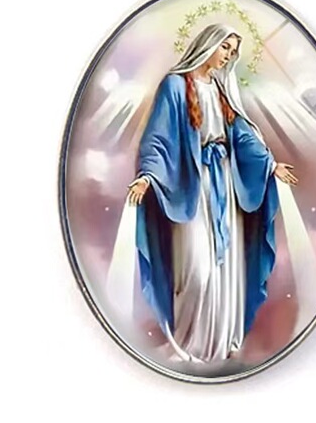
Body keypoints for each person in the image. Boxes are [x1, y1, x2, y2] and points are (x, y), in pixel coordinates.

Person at [126, 23, 298, 363]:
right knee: (197, 269)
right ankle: (189, 341)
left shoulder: (221, 89)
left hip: (225, 185)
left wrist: (269, 165)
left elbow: (242, 135)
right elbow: (158, 138)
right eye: (225, 47)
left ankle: (221, 341)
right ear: (208, 44)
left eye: (233, 51)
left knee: (225, 268)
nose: (229, 56)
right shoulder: (175, 85)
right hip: (193, 187)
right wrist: (147, 176)